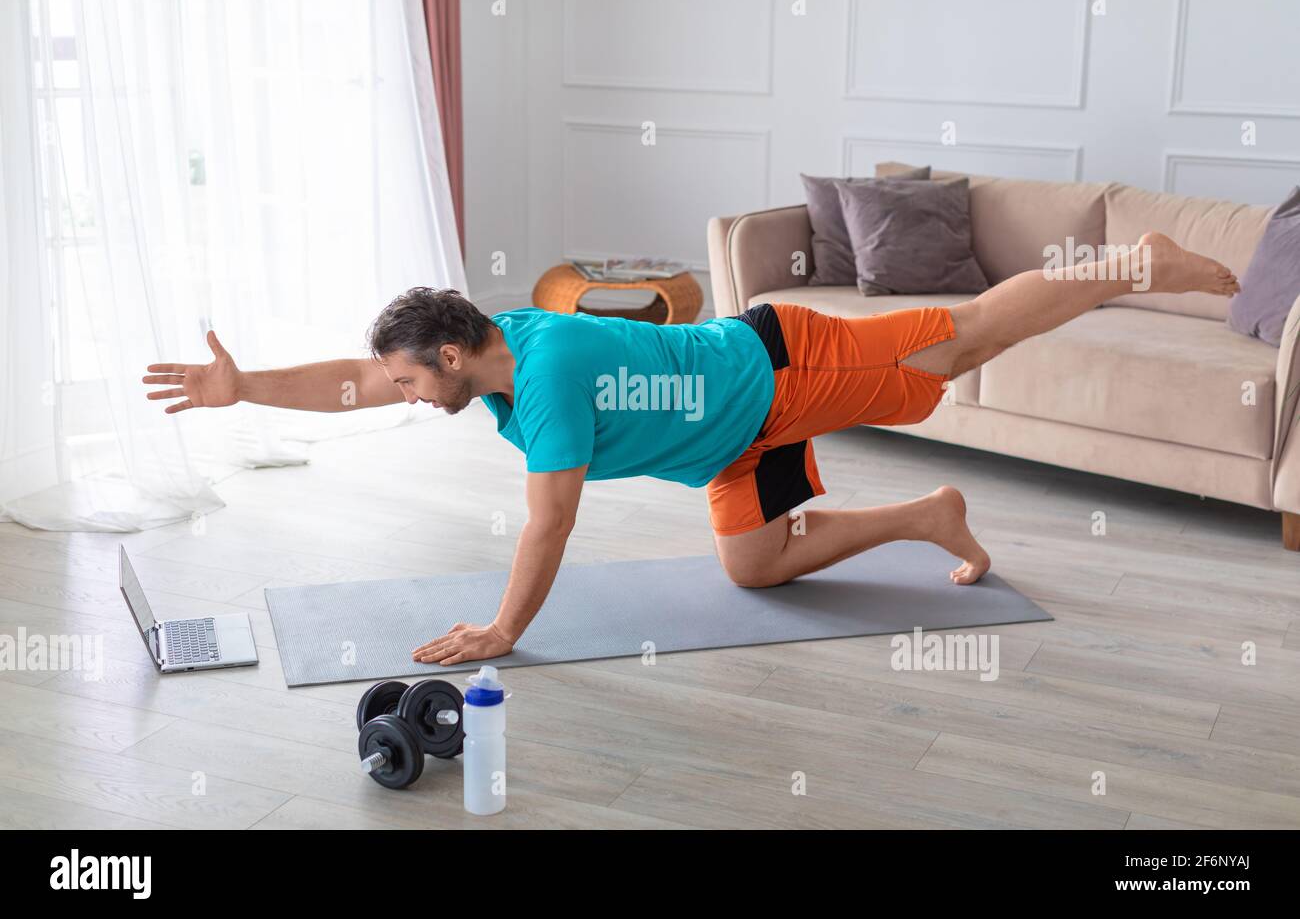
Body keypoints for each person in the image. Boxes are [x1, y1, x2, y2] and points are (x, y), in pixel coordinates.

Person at [143, 232, 1238, 666]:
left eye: (406, 377)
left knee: (971, 338)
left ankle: (1132, 259)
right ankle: (928, 514)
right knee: (752, 567)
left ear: (449, 349)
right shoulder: (491, 352)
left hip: (783, 367)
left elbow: (550, 519)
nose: (396, 392)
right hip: (726, 434)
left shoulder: (551, 374)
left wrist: (503, 629)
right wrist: (245, 391)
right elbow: (352, 379)